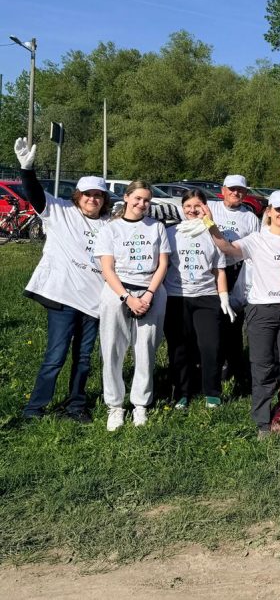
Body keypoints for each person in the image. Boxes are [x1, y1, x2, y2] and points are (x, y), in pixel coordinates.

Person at [16, 138, 112, 423]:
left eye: (98, 195)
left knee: (83, 359)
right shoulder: (59, 211)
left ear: (104, 199)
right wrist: (27, 171)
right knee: (55, 357)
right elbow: (35, 195)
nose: (93, 199)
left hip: (94, 302)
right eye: (88, 194)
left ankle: (76, 406)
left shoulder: (110, 224)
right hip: (63, 297)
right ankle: (34, 409)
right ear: (78, 196)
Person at [205, 189, 280, 437]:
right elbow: (227, 248)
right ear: (270, 212)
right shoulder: (256, 239)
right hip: (262, 311)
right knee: (263, 367)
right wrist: (210, 223)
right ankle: (263, 422)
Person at [95, 180, 172, 431]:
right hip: (118, 291)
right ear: (127, 198)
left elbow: (163, 264)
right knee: (112, 348)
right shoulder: (110, 229)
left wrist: (148, 295)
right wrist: (127, 298)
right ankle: (115, 405)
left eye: (147, 200)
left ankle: (140, 404)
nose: (142, 203)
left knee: (146, 349)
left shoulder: (156, 227)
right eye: (138, 198)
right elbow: (107, 268)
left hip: (151, 290)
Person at [163, 188, 235, 410]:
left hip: (207, 297)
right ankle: (181, 392)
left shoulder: (213, 233)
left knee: (210, 346)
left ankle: (212, 393)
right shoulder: (171, 233)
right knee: (179, 347)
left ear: (206, 207)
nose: (192, 210)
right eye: (187, 206)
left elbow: (219, 270)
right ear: (182, 208)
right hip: (177, 297)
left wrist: (224, 297)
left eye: (197, 206)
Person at [207, 173, 260, 393]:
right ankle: (212, 367)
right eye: (232, 189)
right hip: (210, 271)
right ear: (223, 190)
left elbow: (255, 250)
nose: (236, 193)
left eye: (240, 190)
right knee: (212, 322)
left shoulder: (250, 218)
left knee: (234, 323)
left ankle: (236, 369)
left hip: (236, 272)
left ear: (245, 193)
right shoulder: (211, 207)